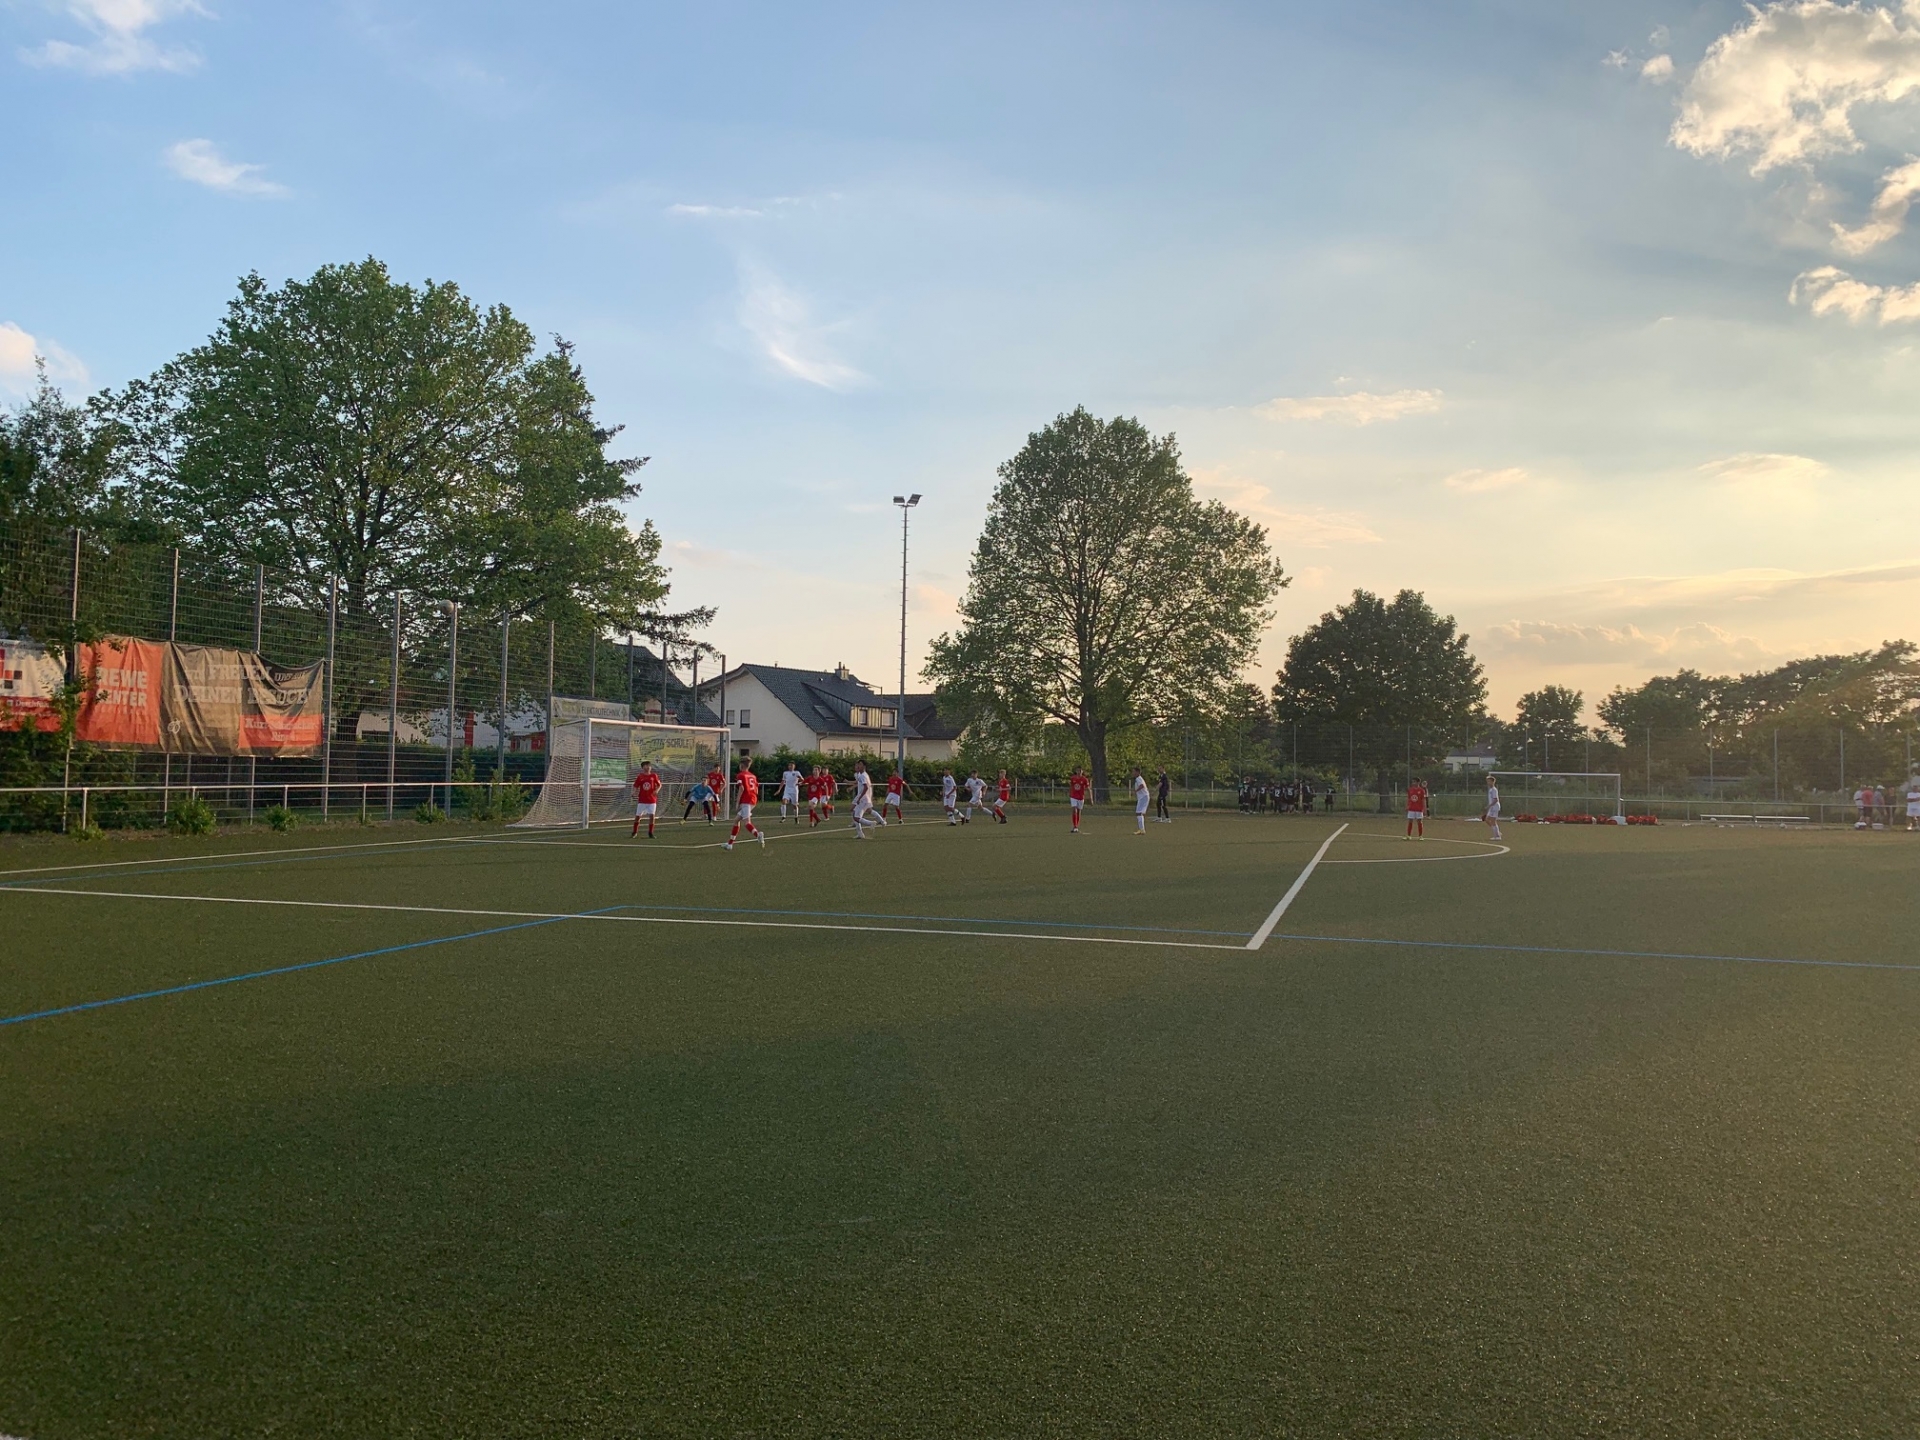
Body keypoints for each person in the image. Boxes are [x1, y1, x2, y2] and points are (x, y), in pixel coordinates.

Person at [725, 763, 765, 850]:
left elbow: (742, 788)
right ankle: (730, 844)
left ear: (742, 765)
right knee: (736, 820)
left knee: (747, 822)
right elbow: (756, 789)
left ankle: (758, 835)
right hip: (753, 799)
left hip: (746, 800)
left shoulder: (740, 775)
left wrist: (737, 802)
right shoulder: (753, 776)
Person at [850, 760, 888, 837]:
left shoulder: (863, 775)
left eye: (860, 764)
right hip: (865, 798)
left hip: (863, 799)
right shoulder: (862, 775)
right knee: (860, 812)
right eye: (858, 764)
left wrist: (859, 798)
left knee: (856, 817)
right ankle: (860, 833)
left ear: (864, 766)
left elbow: (866, 787)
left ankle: (870, 823)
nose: (858, 766)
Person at [630, 760, 661, 838]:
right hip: (642, 800)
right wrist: (633, 792)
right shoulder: (640, 776)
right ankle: (634, 832)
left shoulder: (654, 775)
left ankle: (650, 833)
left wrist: (656, 790)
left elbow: (659, 785)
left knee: (652, 816)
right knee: (638, 817)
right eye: (645, 766)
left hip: (652, 800)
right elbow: (635, 786)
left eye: (649, 766)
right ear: (642, 767)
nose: (647, 767)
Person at [1405, 775, 1429, 840]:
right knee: (1410, 821)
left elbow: (1423, 800)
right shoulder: (1410, 790)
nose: (1413, 783)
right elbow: (1409, 799)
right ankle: (1408, 835)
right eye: (1412, 782)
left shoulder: (1421, 790)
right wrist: (1407, 806)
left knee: (1419, 822)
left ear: (1418, 782)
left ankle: (1420, 836)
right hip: (1411, 808)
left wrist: (1424, 809)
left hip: (1419, 809)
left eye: (1414, 782)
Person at [1067, 766, 1089, 833]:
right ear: (1076, 771)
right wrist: (1069, 793)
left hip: (1081, 797)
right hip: (1073, 796)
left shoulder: (1084, 779)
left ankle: (1076, 826)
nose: (1079, 772)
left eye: (1080, 771)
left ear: (1082, 771)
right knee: (1074, 810)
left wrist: (1090, 797)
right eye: (1077, 771)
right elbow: (1071, 786)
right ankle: (1075, 826)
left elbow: (1087, 788)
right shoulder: (1073, 778)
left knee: (1079, 811)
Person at [1132, 766, 1151, 834]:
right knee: (1140, 813)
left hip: (1143, 797)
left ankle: (1142, 830)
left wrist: (1135, 791)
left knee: (1139, 813)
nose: (1133, 773)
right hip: (1144, 797)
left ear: (1138, 772)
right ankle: (1141, 829)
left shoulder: (1138, 778)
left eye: (1134, 771)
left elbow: (1142, 785)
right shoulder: (1139, 778)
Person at [1483, 775, 1502, 840]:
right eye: (1487, 781)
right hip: (1492, 807)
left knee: (1493, 821)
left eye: (1489, 781)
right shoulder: (1491, 789)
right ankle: (1497, 832)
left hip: (1494, 807)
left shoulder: (1494, 790)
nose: (1488, 783)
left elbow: (1495, 799)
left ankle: (1497, 836)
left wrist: (1489, 806)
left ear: (1492, 782)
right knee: (1487, 820)